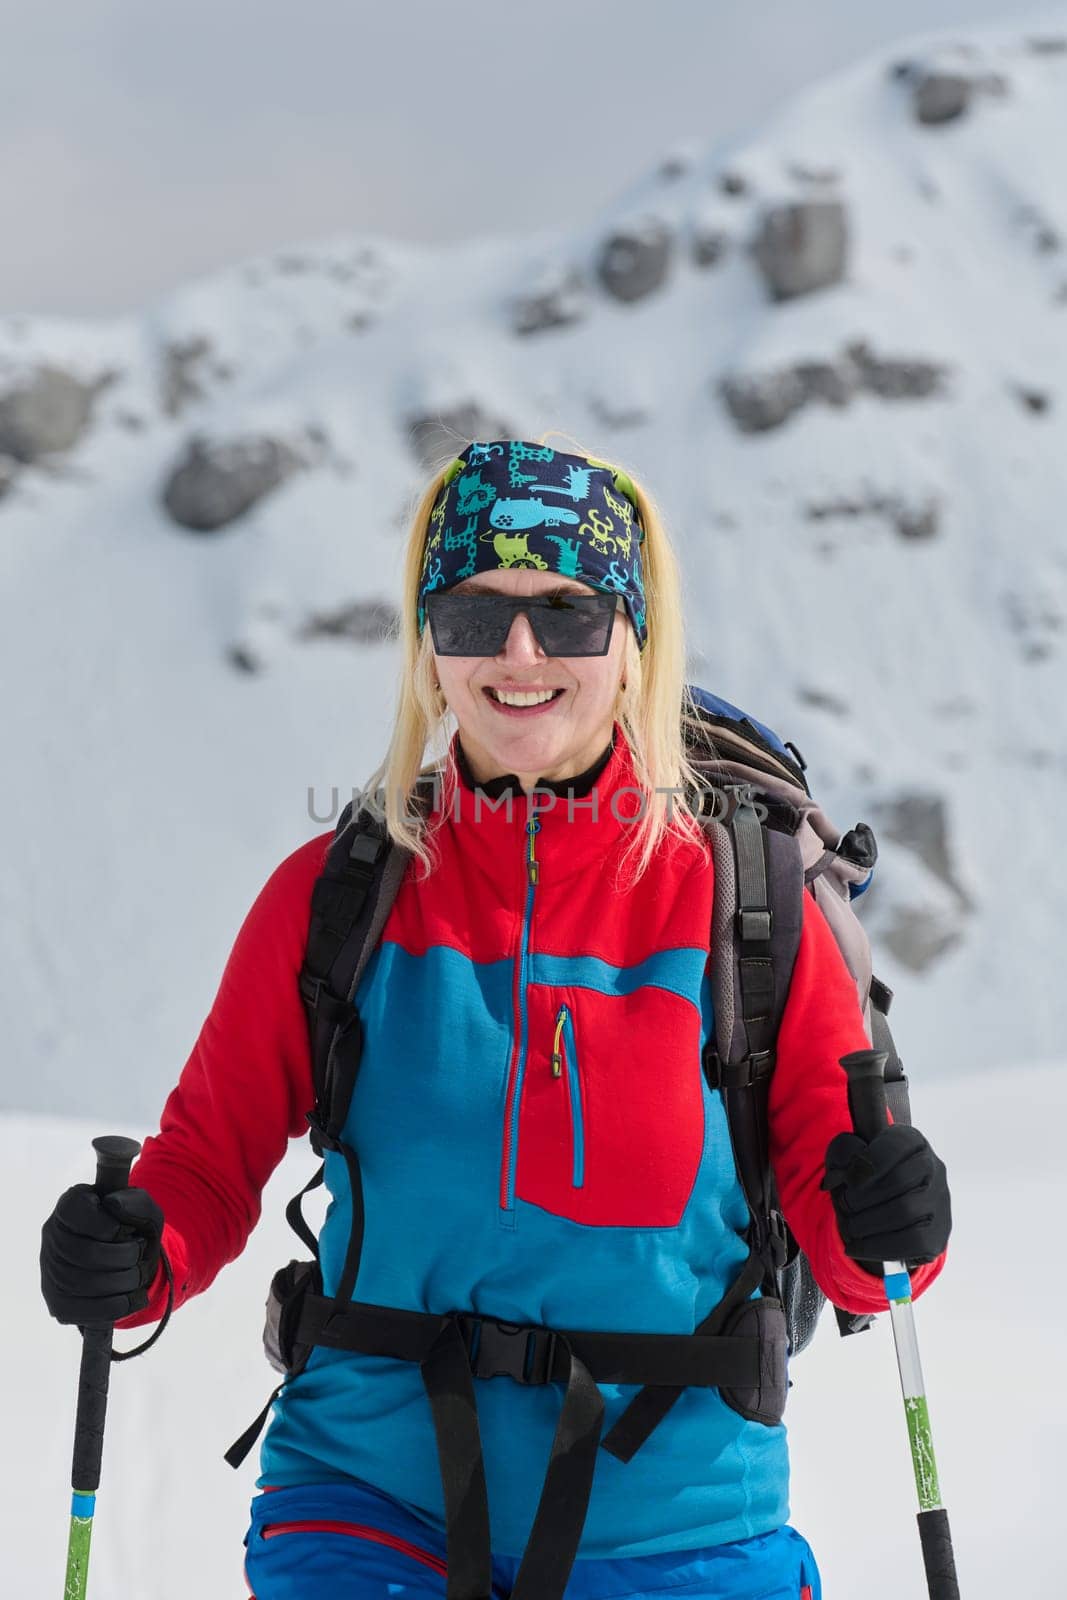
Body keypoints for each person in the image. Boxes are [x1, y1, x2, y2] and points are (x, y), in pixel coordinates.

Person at [41, 437, 951, 1600]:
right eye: (474, 614)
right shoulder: (337, 900)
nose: (519, 653)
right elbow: (203, 1168)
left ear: (632, 644)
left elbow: (860, 1254)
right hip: (367, 1500)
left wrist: (899, 1220)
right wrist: (134, 1253)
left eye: (566, 615)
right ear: (427, 646)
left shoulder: (749, 903)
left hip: (678, 1524)